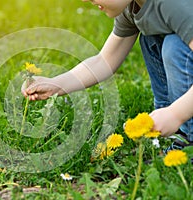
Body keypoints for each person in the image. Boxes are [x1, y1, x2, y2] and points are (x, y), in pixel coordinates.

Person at [22, 0, 193, 153]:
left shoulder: (175, 4)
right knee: (150, 40)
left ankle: (188, 138)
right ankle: (176, 130)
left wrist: (176, 114)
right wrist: (57, 84)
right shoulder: (133, 6)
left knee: (174, 46)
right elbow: (104, 61)